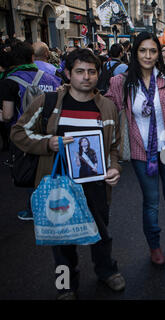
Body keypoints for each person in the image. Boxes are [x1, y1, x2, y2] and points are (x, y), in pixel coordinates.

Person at [10, 48, 125, 299]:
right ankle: (65, 285)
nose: (86, 77)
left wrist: (115, 168)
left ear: (98, 75)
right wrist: (47, 143)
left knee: (101, 233)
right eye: (80, 71)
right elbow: (18, 133)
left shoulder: (107, 107)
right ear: (68, 74)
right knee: (61, 241)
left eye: (92, 72)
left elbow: (114, 146)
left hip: (95, 184)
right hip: (59, 184)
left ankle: (107, 272)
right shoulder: (48, 103)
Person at [105, 32, 165, 267]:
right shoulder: (122, 82)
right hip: (142, 152)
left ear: (159, 54)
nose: (148, 56)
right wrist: (71, 92)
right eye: (143, 50)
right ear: (135, 53)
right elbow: (105, 105)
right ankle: (155, 246)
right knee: (151, 202)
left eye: (153, 51)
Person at [1, 40, 62, 221]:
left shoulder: (8, 81)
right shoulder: (52, 76)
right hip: (52, 130)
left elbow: (7, 115)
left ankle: (34, 210)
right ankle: (56, 205)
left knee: (30, 172)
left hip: (24, 135)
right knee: (51, 169)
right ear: (31, 57)